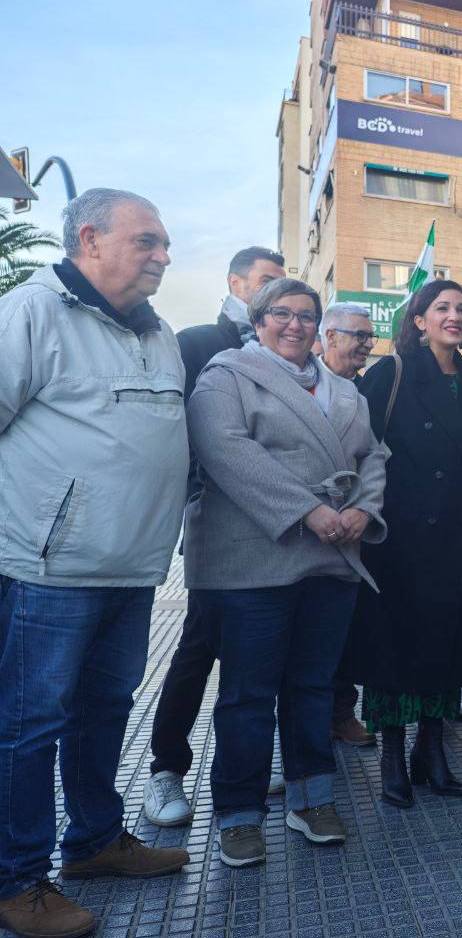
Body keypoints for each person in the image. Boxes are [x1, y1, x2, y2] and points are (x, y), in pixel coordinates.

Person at [0, 188, 190, 938]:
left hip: (133, 566)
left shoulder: (159, 330)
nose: (164, 257)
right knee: (27, 724)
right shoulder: (33, 312)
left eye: (165, 244)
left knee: (105, 711)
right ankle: (16, 879)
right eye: (147, 241)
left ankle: (93, 843)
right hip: (50, 570)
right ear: (90, 240)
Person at [184, 278, 386, 868]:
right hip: (254, 557)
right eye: (282, 313)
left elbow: (373, 455)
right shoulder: (225, 375)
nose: (295, 325)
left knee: (312, 685)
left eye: (307, 316)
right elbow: (225, 449)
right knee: (248, 693)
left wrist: (360, 510)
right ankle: (239, 813)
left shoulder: (345, 389)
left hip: (332, 556)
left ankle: (311, 797)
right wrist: (309, 510)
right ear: (258, 318)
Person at [143, 245, 286, 828]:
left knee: (259, 657)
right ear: (237, 283)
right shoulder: (200, 341)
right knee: (198, 649)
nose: (279, 295)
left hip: (277, 531)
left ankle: (242, 762)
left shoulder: (285, 352)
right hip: (218, 525)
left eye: (285, 284)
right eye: (267, 282)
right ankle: (165, 769)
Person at [350, 280, 462, 808]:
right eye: (442, 308)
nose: (454, 316)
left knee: (449, 644)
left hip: (461, 537)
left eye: (461, 308)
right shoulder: (392, 373)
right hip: (401, 539)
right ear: (418, 320)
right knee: (395, 649)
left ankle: (432, 748)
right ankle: (392, 753)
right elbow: (357, 449)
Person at [317, 302, 380, 749]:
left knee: (344, 631)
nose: (367, 345)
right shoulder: (298, 381)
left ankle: (341, 712)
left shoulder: (366, 390)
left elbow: (375, 455)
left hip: (352, 529)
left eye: (370, 337)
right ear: (331, 336)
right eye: (359, 336)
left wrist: (363, 509)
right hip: (302, 528)